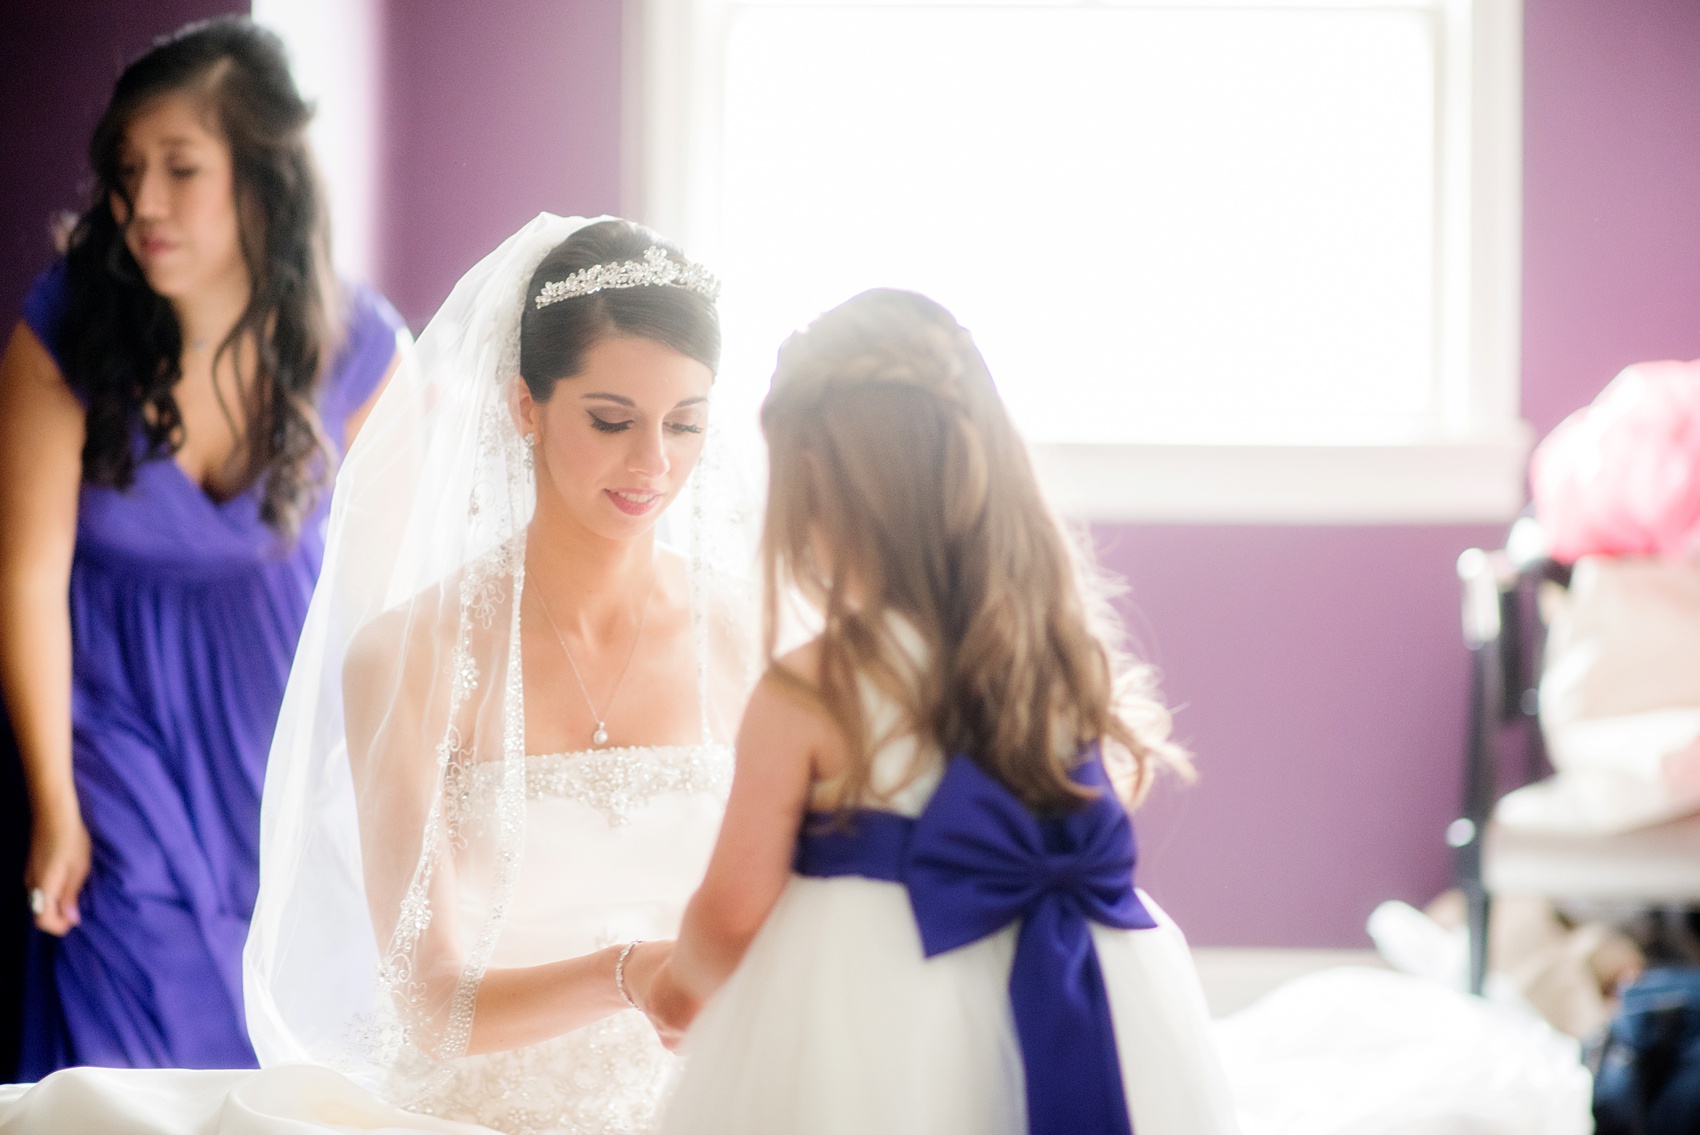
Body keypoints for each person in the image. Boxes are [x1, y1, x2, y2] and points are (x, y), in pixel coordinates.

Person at [0, 215, 753, 1133]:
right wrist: (633, 975)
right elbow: (431, 1002)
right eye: (611, 419)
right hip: (485, 1111)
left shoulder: (746, 634)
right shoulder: (413, 656)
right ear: (526, 406)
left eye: (686, 424)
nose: (653, 462)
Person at [647, 289, 1243, 1134]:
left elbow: (733, 906)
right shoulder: (1057, 660)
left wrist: (677, 990)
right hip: (1074, 985)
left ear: (819, 499)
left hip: (866, 1010)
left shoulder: (815, 688)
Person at [0, 16, 404, 1077]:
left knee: (281, 1001)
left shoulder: (361, 350)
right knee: (129, 983)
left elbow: (393, 589)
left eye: (182, 168)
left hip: (279, 709)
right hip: (109, 705)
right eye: (128, 171)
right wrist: (54, 802)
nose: (142, 203)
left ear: (264, 185)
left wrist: (375, 789)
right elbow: (27, 571)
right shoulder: (66, 326)